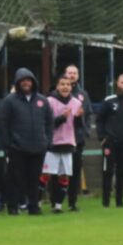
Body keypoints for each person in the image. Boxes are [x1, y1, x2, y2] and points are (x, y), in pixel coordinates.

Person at [0, 68, 53, 215]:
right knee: (15, 179)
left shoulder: (43, 101)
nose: (26, 83)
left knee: (34, 179)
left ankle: (34, 207)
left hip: (38, 147)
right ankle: (13, 207)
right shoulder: (9, 101)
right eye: (23, 81)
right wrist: (8, 144)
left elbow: (49, 123)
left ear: (33, 82)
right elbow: (2, 123)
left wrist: (47, 141)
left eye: (28, 80)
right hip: (17, 148)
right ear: (18, 83)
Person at [96, 73, 123, 208]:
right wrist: (102, 137)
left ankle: (120, 201)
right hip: (109, 143)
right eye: (122, 82)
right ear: (117, 84)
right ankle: (105, 202)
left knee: (121, 172)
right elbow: (100, 120)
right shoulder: (109, 100)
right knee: (107, 172)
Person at [43, 75, 83, 213]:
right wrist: (61, 118)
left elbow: (77, 127)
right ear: (57, 86)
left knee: (64, 176)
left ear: (71, 86)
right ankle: (36, 202)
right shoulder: (49, 101)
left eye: (68, 84)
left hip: (68, 144)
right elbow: (47, 124)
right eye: (62, 84)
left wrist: (78, 118)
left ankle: (58, 206)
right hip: (52, 144)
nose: (65, 86)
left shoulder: (76, 103)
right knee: (45, 175)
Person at [63, 64, 92, 210]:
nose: (72, 75)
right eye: (69, 72)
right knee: (60, 171)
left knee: (75, 171)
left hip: (77, 138)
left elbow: (89, 114)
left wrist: (86, 130)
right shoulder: (58, 92)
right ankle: (57, 201)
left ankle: (72, 202)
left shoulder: (83, 94)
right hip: (61, 138)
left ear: (78, 75)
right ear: (65, 74)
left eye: (75, 73)